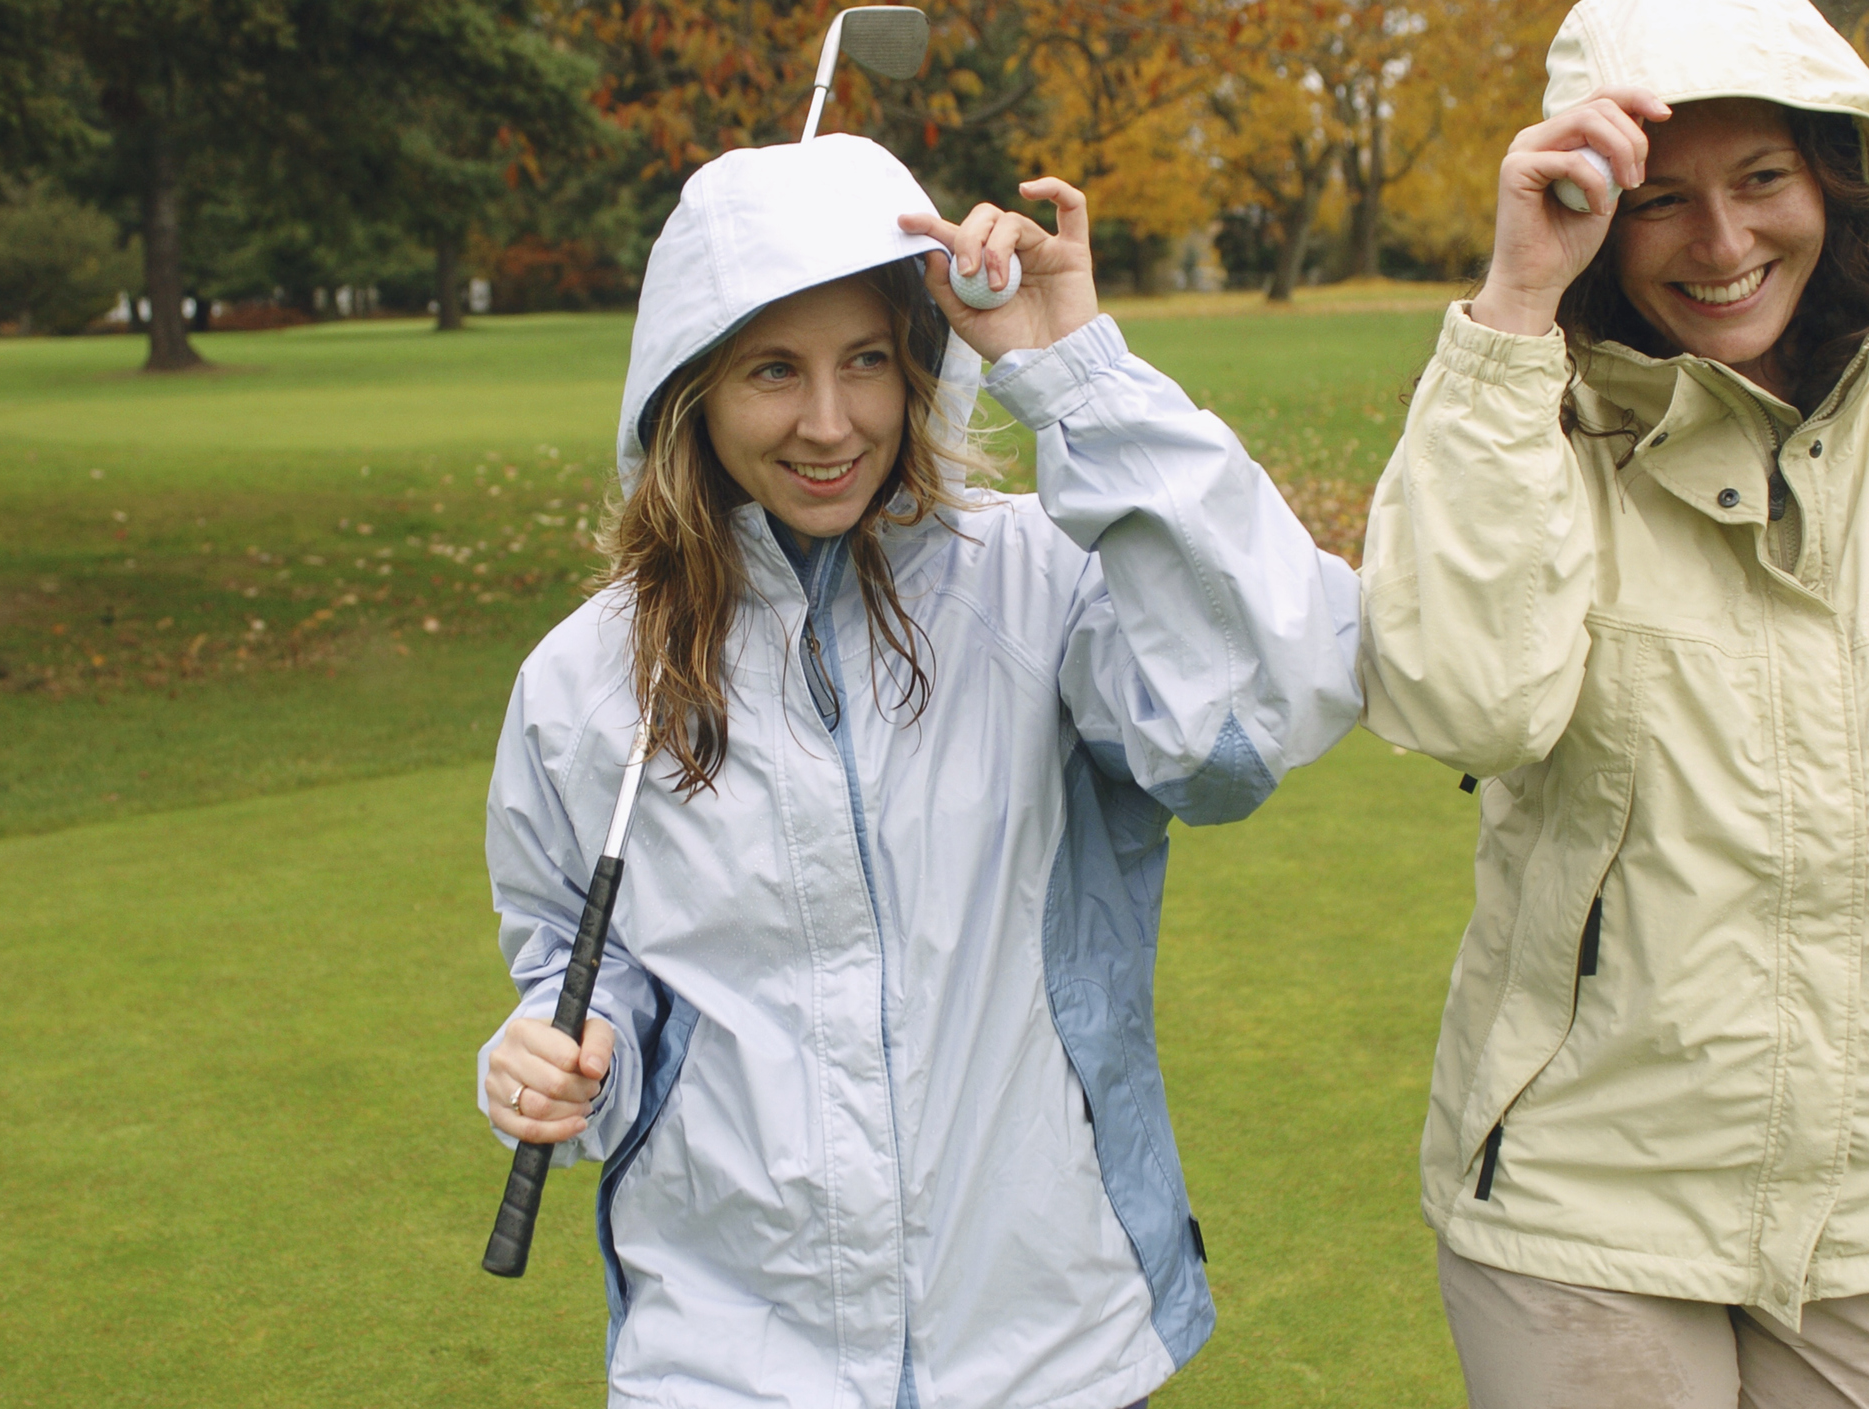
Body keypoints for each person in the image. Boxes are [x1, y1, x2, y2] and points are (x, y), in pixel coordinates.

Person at [475, 134, 1361, 1408]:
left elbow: (1252, 717)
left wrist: (1077, 372)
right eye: (773, 369)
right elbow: (572, 954)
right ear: (691, 389)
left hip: (1049, 1348)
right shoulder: (583, 678)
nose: (829, 423)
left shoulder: (1040, 582)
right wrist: (562, 1044)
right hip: (725, 1362)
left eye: (867, 363)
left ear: (920, 363)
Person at [1358, 0, 1869, 1403]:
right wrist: (1510, 312)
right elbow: (1460, 701)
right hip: (1585, 1202)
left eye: (1760, 181)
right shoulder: (1524, 416)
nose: (1722, 244)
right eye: (1659, 200)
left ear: (1834, 178)